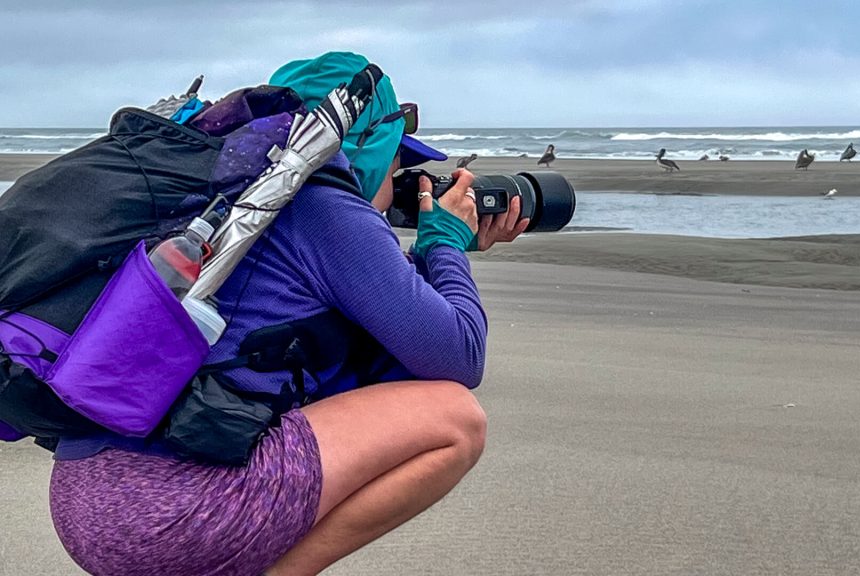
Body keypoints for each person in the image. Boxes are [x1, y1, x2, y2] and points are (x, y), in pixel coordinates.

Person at [47, 52, 529, 576]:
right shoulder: (323, 206)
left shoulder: (229, 192)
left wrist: (431, 257)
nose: (401, 183)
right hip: (172, 515)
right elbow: (460, 357)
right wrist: (447, 245)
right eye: (397, 163)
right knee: (455, 419)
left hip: (86, 497)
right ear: (364, 152)